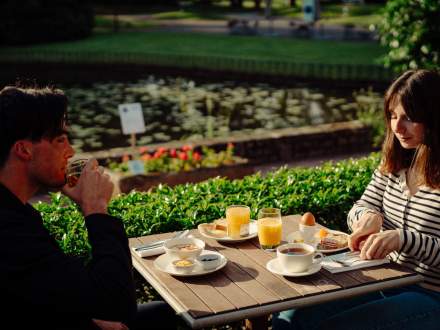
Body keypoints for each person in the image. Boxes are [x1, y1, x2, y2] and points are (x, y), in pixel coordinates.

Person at [272, 69, 440, 330]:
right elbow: (360, 207)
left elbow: (412, 242)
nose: (397, 127)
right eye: (393, 116)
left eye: (408, 118)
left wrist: (403, 238)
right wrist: (367, 217)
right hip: (382, 281)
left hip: (430, 296)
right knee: (291, 313)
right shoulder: (394, 164)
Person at [0, 85, 176, 329]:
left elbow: (36, 298)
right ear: (23, 150)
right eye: (60, 140)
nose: (70, 151)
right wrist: (95, 208)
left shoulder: (15, 212)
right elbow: (117, 302)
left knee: (164, 313)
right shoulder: (10, 231)